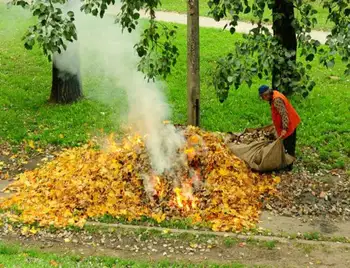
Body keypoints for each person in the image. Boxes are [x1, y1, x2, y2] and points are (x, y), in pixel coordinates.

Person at [258, 85, 301, 168]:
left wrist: (284, 128)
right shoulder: (274, 94)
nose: (263, 99)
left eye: (263, 97)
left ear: (267, 94)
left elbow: (284, 114)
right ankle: (287, 161)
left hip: (288, 124)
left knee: (288, 145)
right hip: (289, 122)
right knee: (288, 144)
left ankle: (289, 165)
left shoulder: (276, 100)